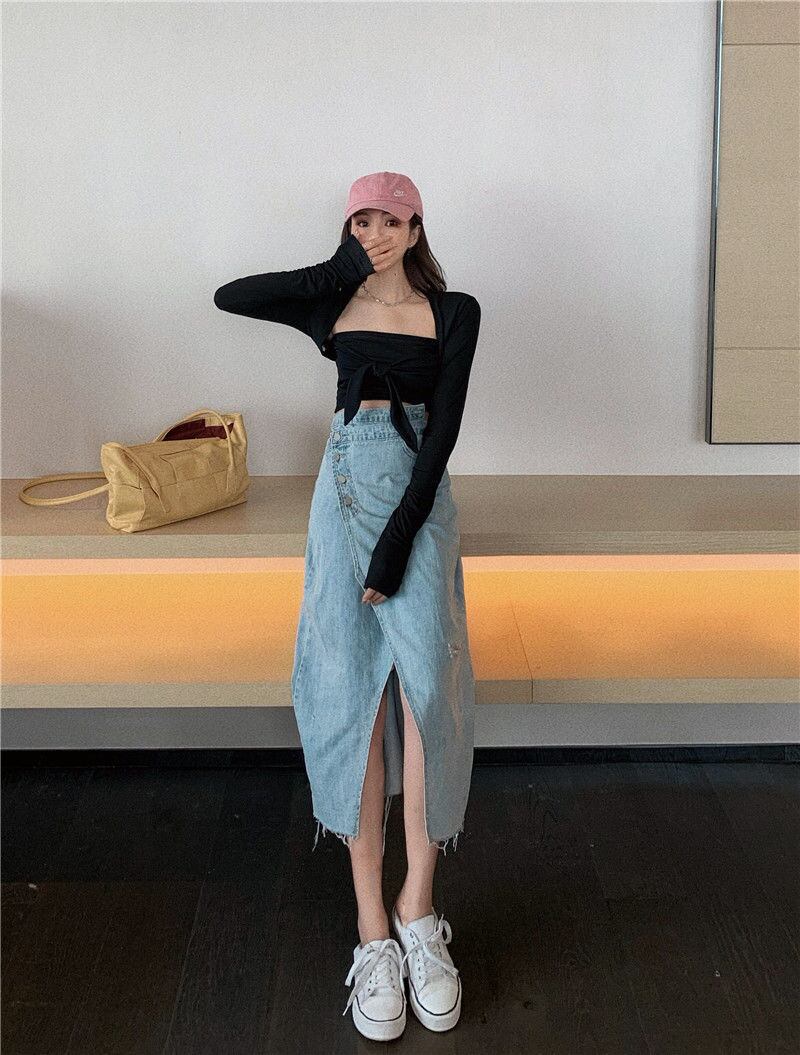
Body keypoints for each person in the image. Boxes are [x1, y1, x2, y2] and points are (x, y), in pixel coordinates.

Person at [214, 171, 481, 1041]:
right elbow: (232, 296)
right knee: (349, 694)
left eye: (389, 219)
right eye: (360, 220)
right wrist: (336, 269)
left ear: (417, 227)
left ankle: (417, 908)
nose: (374, 231)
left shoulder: (454, 311)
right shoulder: (332, 304)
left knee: (430, 695)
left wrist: (400, 541)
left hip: (418, 498)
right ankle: (372, 929)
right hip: (342, 493)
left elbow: (443, 431)